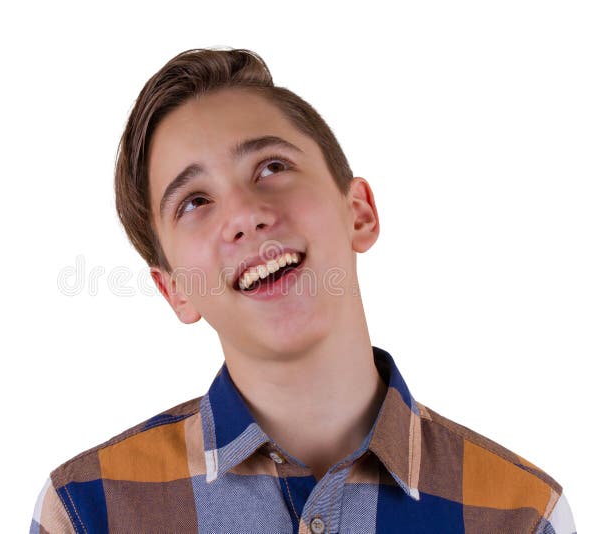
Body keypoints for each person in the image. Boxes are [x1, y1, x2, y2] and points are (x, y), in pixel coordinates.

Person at [30, 47, 576, 533]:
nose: (245, 214)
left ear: (358, 212)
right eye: (195, 201)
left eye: (271, 166)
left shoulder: (521, 514)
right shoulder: (86, 513)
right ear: (175, 290)